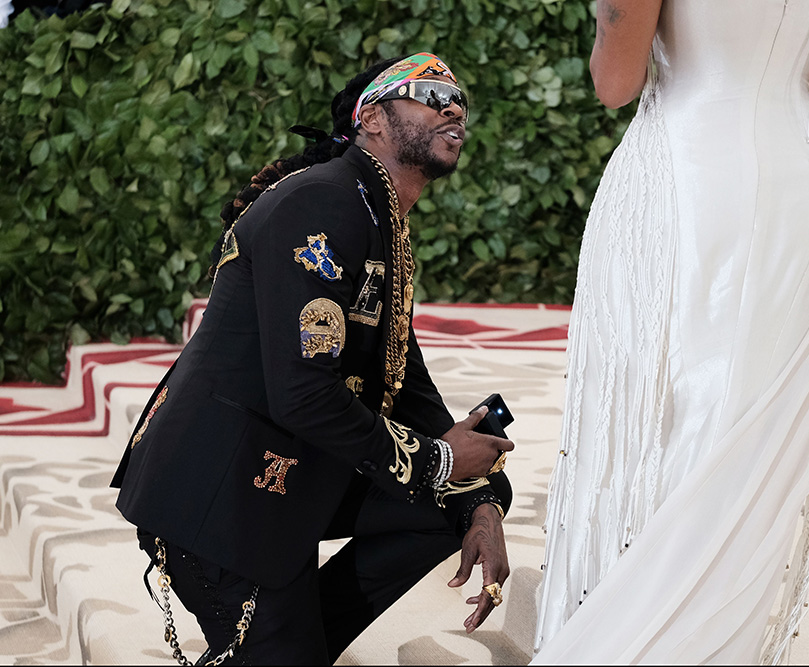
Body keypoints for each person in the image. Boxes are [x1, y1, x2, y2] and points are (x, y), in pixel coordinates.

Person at [534, 0, 809, 663]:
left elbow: (613, 82)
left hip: (690, 178)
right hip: (804, 188)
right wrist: (789, 79)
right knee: (747, 436)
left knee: (661, 421)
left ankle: (622, 639)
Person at [111, 53, 515, 665]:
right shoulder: (323, 204)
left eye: (459, 99)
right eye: (429, 94)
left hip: (286, 474)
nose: (453, 107)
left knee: (458, 497)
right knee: (436, 478)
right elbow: (302, 392)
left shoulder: (377, 216)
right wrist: (436, 458)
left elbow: (403, 380)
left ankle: (292, 643)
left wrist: (476, 495)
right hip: (220, 497)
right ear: (373, 118)